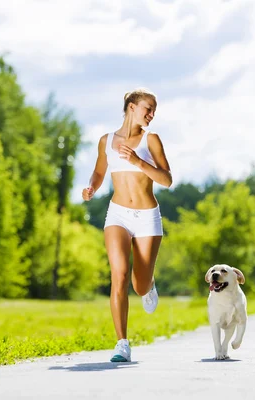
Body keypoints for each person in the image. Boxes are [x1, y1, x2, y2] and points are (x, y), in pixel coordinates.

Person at [82, 87, 172, 363]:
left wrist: (137, 161)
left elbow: (166, 179)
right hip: (118, 214)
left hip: (147, 217)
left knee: (139, 286)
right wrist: (92, 187)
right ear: (132, 106)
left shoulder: (151, 139)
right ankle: (122, 343)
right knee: (118, 275)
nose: (152, 114)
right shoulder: (106, 141)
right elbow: (100, 170)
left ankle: (149, 283)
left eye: (154, 110)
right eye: (149, 108)